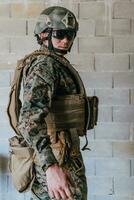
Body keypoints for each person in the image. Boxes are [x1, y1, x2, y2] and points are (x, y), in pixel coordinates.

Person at [17, 6, 88, 200]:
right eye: (59, 34)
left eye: (70, 35)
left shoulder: (53, 63)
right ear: (42, 34)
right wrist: (51, 168)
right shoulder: (45, 66)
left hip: (63, 154)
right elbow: (29, 121)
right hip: (58, 160)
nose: (66, 40)